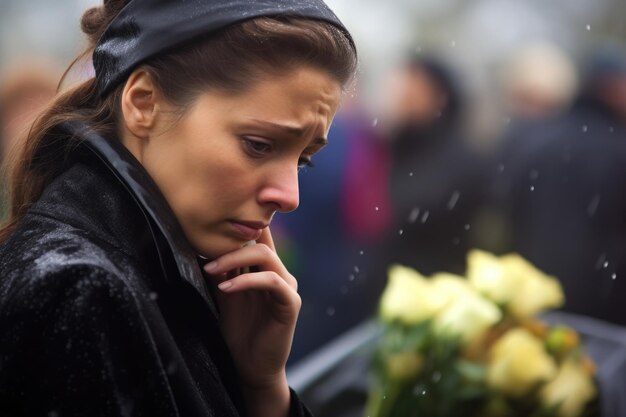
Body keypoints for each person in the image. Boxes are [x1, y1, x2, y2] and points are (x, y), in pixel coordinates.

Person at [0, 1, 357, 416]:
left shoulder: (143, 279)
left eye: (302, 160)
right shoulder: (81, 293)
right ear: (144, 102)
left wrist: (260, 386)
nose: (289, 195)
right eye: (258, 145)